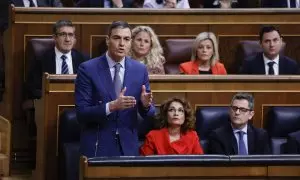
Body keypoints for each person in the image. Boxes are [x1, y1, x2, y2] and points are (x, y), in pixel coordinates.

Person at [75, 21, 156, 157]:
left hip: (128, 146)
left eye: (126, 39)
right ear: (108, 40)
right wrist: (111, 106)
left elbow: (149, 114)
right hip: (98, 144)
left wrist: (146, 105)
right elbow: (81, 113)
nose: (122, 44)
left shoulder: (140, 69)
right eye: (117, 38)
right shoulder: (88, 69)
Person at [26, 19, 87, 100]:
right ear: (55, 37)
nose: (67, 39)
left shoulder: (84, 60)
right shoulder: (41, 59)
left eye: (71, 35)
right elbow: (32, 89)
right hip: (50, 103)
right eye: (63, 34)